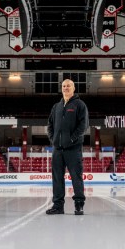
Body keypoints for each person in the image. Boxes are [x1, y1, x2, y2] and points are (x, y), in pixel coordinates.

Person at [46, 79, 89, 215]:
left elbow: (83, 126)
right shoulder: (56, 107)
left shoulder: (79, 105)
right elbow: (50, 125)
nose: (65, 88)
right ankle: (58, 206)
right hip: (58, 149)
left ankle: (79, 204)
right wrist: (53, 139)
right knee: (57, 178)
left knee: (76, 177)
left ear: (74, 88)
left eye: (68, 86)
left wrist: (71, 139)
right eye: (64, 86)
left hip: (73, 149)